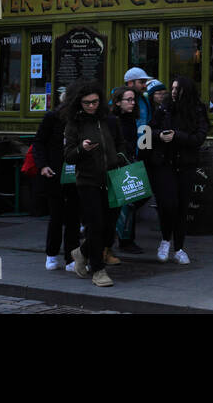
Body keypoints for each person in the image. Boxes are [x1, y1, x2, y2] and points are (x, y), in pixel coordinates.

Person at [63, 80, 124, 287]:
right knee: (95, 225)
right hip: (88, 181)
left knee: (108, 226)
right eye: (87, 102)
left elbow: (121, 144)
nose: (91, 106)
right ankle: (98, 270)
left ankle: (82, 252)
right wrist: (82, 148)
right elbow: (68, 156)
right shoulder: (75, 124)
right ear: (79, 103)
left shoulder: (108, 120)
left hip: (111, 178)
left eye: (95, 101)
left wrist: (121, 158)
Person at [148, 75, 208, 264]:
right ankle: (165, 240)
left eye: (177, 89)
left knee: (182, 206)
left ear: (186, 91)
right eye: (172, 89)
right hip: (165, 163)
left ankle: (179, 247)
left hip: (186, 164)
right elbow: (149, 130)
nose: (173, 92)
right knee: (168, 204)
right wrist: (160, 135)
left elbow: (199, 138)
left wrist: (177, 136)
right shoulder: (165, 108)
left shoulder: (197, 110)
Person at [31, 86, 78, 271]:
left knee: (74, 217)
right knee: (57, 216)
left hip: (75, 173)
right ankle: (51, 253)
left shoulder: (81, 120)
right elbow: (39, 142)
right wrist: (43, 165)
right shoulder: (52, 118)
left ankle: (71, 257)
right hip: (55, 172)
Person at [111, 85, 146, 254]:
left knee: (134, 199)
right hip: (117, 165)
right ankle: (124, 239)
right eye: (129, 100)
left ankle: (125, 238)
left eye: (134, 100)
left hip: (129, 163)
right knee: (127, 201)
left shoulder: (131, 119)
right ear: (118, 102)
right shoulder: (113, 120)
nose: (132, 103)